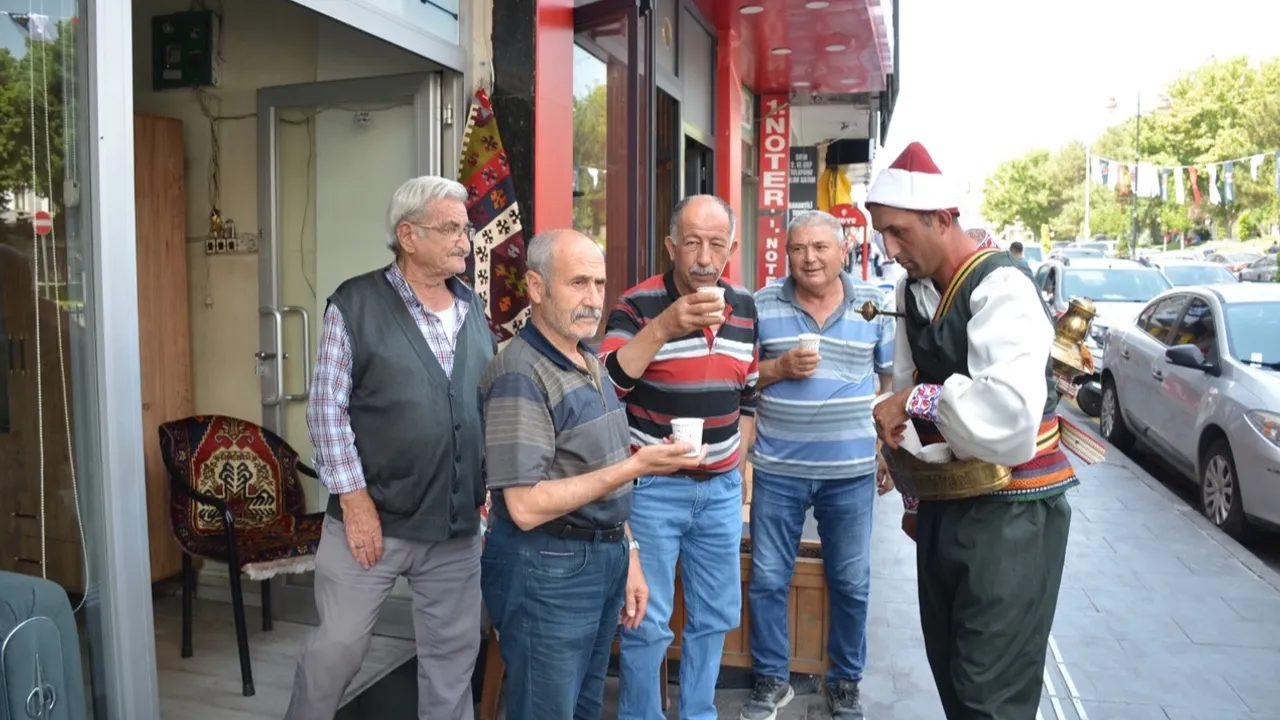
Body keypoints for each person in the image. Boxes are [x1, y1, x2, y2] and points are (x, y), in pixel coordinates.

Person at [865, 142, 1077, 720]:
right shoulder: (910, 292)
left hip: (1012, 513)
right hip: (946, 503)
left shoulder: (1001, 287)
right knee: (953, 672)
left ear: (942, 218)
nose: (889, 248)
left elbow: (1007, 413)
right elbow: (908, 393)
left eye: (900, 232)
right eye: (882, 233)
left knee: (991, 691)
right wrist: (910, 487)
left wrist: (914, 399)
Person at [285, 176, 496, 720]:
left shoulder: (475, 312)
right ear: (408, 235)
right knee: (338, 650)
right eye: (450, 228)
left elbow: (485, 409)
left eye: (465, 229)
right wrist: (355, 505)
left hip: (452, 528)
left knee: (453, 660)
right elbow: (326, 411)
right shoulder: (355, 304)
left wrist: (486, 486)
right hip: (370, 521)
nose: (464, 240)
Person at [478, 229, 708, 720]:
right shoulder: (521, 373)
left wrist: (629, 552)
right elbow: (522, 505)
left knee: (584, 709)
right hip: (546, 567)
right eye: (577, 282)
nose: (592, 298)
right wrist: (636, 465)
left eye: (599, 283)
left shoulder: (586, 357)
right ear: (536, 289)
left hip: (599, 557)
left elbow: (596, 471)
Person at [600, 194, 760, 720]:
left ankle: (698, 713)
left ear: (732, 248)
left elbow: (750, 393)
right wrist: (665, 326)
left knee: (714, 615)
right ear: (671, 246)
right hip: (652, 489)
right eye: (692, 242)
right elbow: (606, 386)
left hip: (718, 490)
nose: (703, 257)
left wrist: (741, 464)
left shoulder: (745, 306)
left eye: (716, 244)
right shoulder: (638, 305)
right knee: (646, 620)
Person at [741, 211, 895, 720]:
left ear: (844, 249)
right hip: (778, 467)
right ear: (786, 254)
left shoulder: (876, 304)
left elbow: (891, 385)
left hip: (849, 472)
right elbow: (741, 380)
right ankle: (770, 678)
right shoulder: (763, 304)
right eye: (798, 248)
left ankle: (845, 681)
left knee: (851, 580)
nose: (808, 258)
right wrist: (779, 368)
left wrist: (887, 452)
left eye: (820, 247)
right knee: (768, 578)